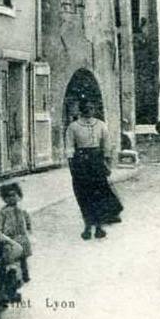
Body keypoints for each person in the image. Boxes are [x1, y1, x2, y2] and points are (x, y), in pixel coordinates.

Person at [65, 99, 123, 240]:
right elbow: (69, 147)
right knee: (83, 195)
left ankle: (98, 227)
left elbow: (107, 145)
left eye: (91, 107)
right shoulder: (73, 127)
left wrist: (107, 163)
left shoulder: (101, 125)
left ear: (94, 109)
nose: (88, 110)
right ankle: (87, 226)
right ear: (81, 109)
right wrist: (72, 164)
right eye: (85, 108)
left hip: (97, 162)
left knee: (99, 194)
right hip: (81, 163)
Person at [0, 182, 32, 282]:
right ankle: (13, 275)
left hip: (22, 236)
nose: (11, 198)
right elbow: (0, 223)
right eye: (8, 196)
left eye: (14, 195)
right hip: (10, 237)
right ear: (4, 198)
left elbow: (27, 219)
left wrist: (29, 228)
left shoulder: (22, 209)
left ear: (19, 196)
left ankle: (25, 274)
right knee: (11, 256)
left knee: (23, 257)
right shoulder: (3, 211)